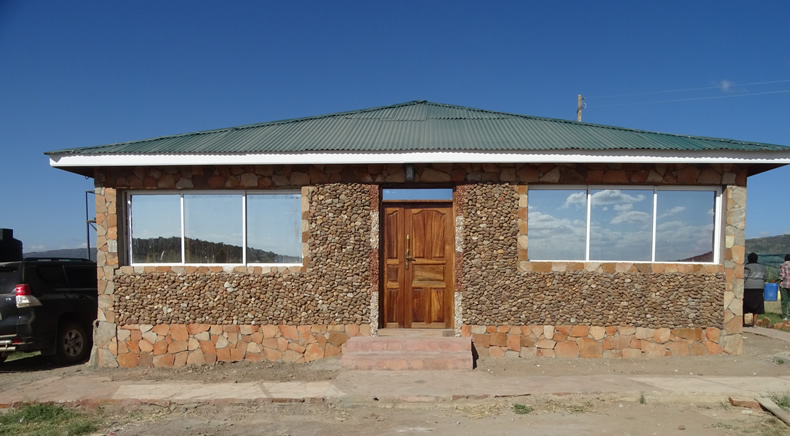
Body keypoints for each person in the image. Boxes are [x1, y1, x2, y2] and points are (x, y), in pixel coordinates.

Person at [743, 253, 766, 327]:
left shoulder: (747, 267)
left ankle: (742, 322)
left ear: (748, 259)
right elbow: (765, 277)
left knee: (745, 304)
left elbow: (744, 277)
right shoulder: (762, 267)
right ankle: (755, 323)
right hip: (760, 288)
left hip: (748, 287)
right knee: (757, 305)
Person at [779, 254, 790, 321]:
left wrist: (777, 279)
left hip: (784, 284)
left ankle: (785, 316)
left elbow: (782, 276)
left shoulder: (782, 265)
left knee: (784, 300)